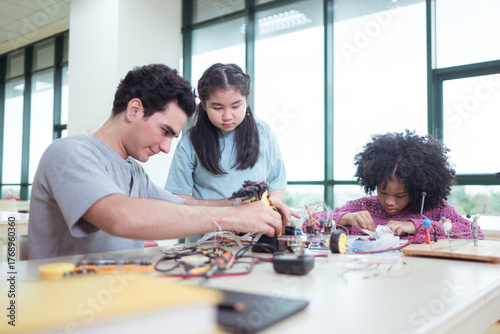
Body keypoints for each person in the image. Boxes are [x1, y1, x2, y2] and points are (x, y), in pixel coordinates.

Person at [28, 64, 287, 260]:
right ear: (134, 110)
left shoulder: (134, 173)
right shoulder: (70, 153)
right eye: (165, 132)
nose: (166, 149)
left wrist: (246, 205)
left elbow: (185, 206)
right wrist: (233, 217)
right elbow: (121, 218)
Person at [165, 63, 295, 242]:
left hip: (256, 240)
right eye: (217, 108)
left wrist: (268, 212)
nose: (227, 116)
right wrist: (231, 209)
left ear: (246, 99)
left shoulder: (263, 134)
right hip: (206, 243)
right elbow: (177, 199)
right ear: (203, 103)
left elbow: (276, 182)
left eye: (235, 106)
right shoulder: (190, 142)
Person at [304, 130, 484, 243]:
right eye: (382, 192)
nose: (389, 202)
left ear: (416, 189)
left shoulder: (434, 209)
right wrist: (346, 218)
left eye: (400, 195)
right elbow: (308, 225)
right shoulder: (361, 207)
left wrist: (415, 226)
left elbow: (474, 232)